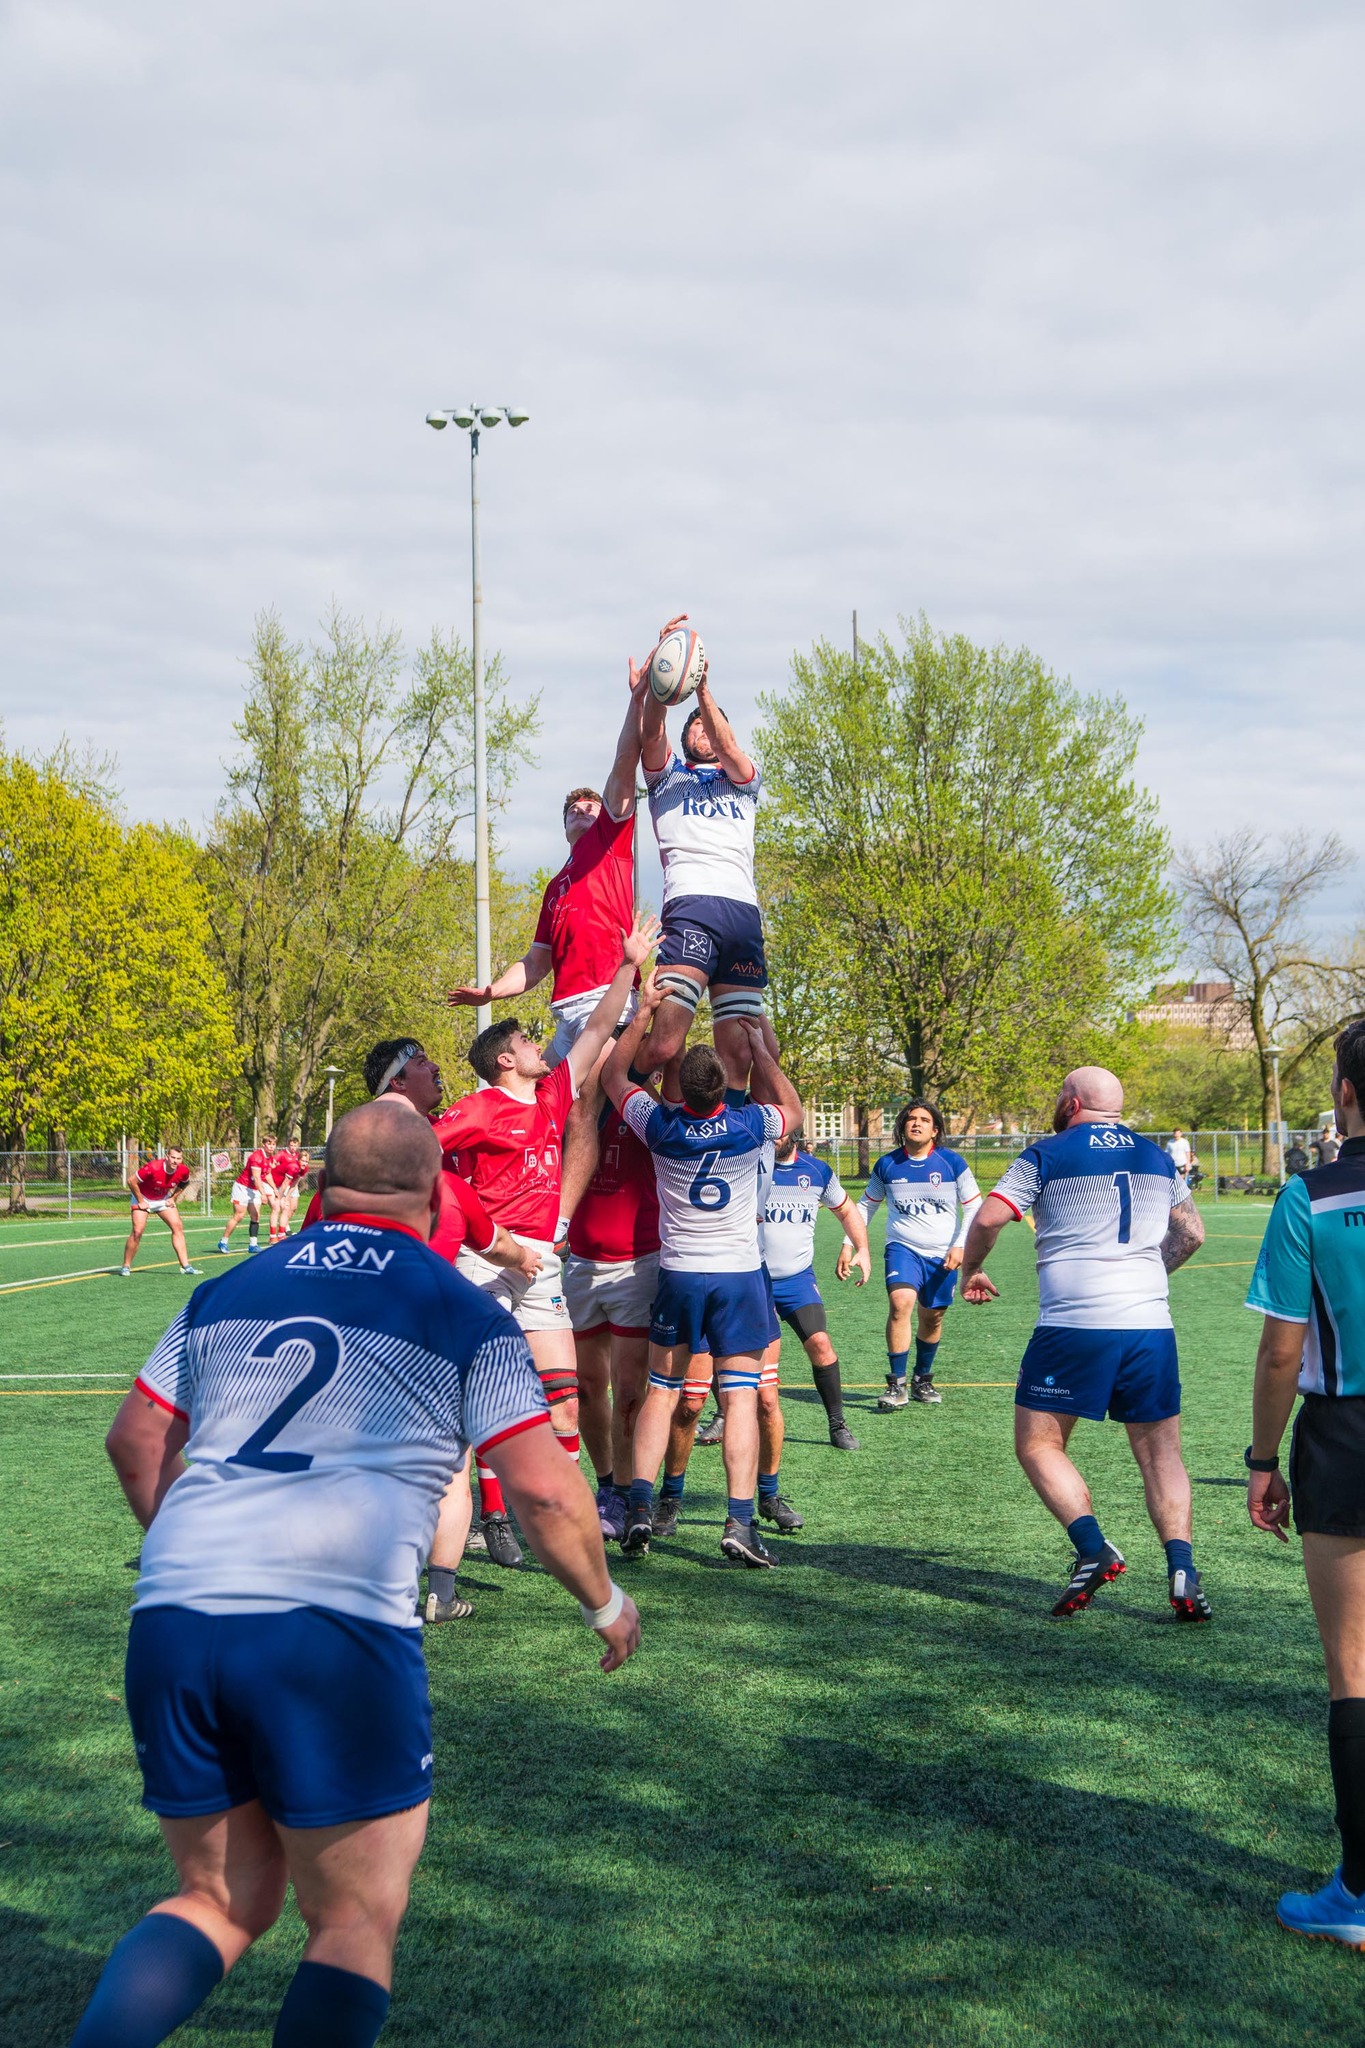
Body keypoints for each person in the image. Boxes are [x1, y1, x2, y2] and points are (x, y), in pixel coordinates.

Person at [78, 1100, 640, 2048]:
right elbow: (544, 1494)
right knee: (350, 1922)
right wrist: (605, 1602)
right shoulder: (458, 1310)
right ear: (434, 1193)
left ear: (320, 1182)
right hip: (330, 1631)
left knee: (218, 1899)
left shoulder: (227, 1288)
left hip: (176, 1614)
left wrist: (190, 1555)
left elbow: (135, 1442)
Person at [960, 1065, 1209, 1620]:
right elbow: (1191, 1232)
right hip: (1149, 1324)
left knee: (1039, 1445)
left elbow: (990, 1216)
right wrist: (1147, 1277)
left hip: (1074, 1324)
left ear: (1071, 1102)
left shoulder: (1047, 1152)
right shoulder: (1155, 1155)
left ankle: (1094, 1549)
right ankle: (1183, 1570)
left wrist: (971, 1267)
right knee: (1161, 1453)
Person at [435, 913, 660, 1476]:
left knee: (564, 1404)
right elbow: (418, 1151)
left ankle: (560, 1503)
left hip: (544, 1264)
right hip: (486, 1261)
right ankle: (490, 1515)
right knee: (482, 1398)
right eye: (525, 1041)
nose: (539, 1045)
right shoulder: (479, 1108)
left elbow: (594, 1031)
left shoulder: (554, 1093)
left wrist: (627, 967)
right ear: (504, 1061)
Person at [603, 982, 803, 1567]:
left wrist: (642, 1019)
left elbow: (616, 1079)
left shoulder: (660, 1125)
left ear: (680, 1090)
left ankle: (639, 1508)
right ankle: (739, 1521)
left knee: (661, 1394)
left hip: (681, 1274)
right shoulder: (748, 1127)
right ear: (723, 1090)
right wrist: (763, 1052)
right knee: (739, 1400)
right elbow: (789, 1111)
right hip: (738, 1276)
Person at [447, 667, 649, 1225]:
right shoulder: (555, 886)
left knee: (588, 1106)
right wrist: (492, 991)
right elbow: (536, 962)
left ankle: (558, 1221)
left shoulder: (612, 842)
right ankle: (516, 1200)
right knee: (538, 1108)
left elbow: (623, 764)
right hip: (566, 1013)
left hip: (608, 1001)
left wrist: (636, 702)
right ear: (562, 824)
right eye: (575, 809)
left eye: (592, 806)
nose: (586, 811)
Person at [1245, 1021, 1365, 1946]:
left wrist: (1259, 1459)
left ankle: (1359, 1895)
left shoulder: (1309, 1197)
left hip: (1345, 1438)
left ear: (1346, 1096)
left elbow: (1283, 1350)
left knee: (1354, 1674)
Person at [352, 1036, 544, 1605]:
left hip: (359, 1340)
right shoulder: (449, 1189)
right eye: (421, 1063)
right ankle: (439, 1590)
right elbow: (498, 1244)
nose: (437, 1068)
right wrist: (525, 1257)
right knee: (451, 1464)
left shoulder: (344, 1190)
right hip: (428, 1338)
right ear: (397, 1084)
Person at [630, 621, 766, 1096]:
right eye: (695, 724)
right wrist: (657, 684)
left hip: (742, 915)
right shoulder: (667, 778)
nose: (703, 729)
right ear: (686, 736)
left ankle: (729, 1148)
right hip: (691, 909)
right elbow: (650, 736)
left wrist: (702, 686)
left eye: (708, 723)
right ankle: (616, 1109)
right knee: (666, 1044)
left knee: (742, 1053)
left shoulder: (743, 779)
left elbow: (730, 747)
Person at [564, 1059, 661, 1545]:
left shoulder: (645, 1107)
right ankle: (605, 1486)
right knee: (585, 1387)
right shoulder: (573, 1106)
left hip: (636, 1264)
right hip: (580, 1263)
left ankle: (626, 1493)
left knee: (627, 1392)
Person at [844, 1100, 981, 1410]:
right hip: (902, 1248)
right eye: (911, 1119)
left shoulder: (952, 1163)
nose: (916, 1123)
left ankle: (922, 1379)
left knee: (932, 1318)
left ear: (935, 1129)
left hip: (943, 1254)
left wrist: (961, 1244)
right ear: (903, 1126)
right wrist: (848, 1243)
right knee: (900, 1304)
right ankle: (896, 1384)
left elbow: (974, 1206)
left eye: (924, 1120)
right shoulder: (887, 1165)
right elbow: (866, 1205)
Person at [757, 1132, 870, 1450]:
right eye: (768, 1130)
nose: (775, 1137)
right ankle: (724, 1413)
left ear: (793, 1130)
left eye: (781, 1129)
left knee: (821, 1344)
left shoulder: (817, 1171)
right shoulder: (747, 1166)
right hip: (752, 1279)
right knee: (742, 1358)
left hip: (796, 1280)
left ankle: (838, 1424)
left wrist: (860, 1248)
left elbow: (847, 1210)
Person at [120, 1148, 200, 1279]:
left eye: (178, 1158)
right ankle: (126, 1266)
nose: (175, 1161)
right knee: (137, 1231)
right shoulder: (153, 1167)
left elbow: (185, 1182)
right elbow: (131, 1181)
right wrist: (140, 1201)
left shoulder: (183, 1170)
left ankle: (186, 1266)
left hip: (162, 1199)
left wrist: (173, 1197)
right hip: (143, 1198)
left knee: (177, 1226)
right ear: (167, 1156)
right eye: (173, 1157)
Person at [216, 1136, 276, 1256]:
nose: (271, 1146)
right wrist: (263, 1194)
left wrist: (275, 1189)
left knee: (255, 1216)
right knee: (239, 1215)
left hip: (254, 1189)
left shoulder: (270, 1158)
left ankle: (253, 1244)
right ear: (263, 1144)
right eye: (269, 1144)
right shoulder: (256, 1157)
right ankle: (223, 1241)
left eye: (273, 1144)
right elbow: (257, 1178)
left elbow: (267, 1175)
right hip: (242, 1188)